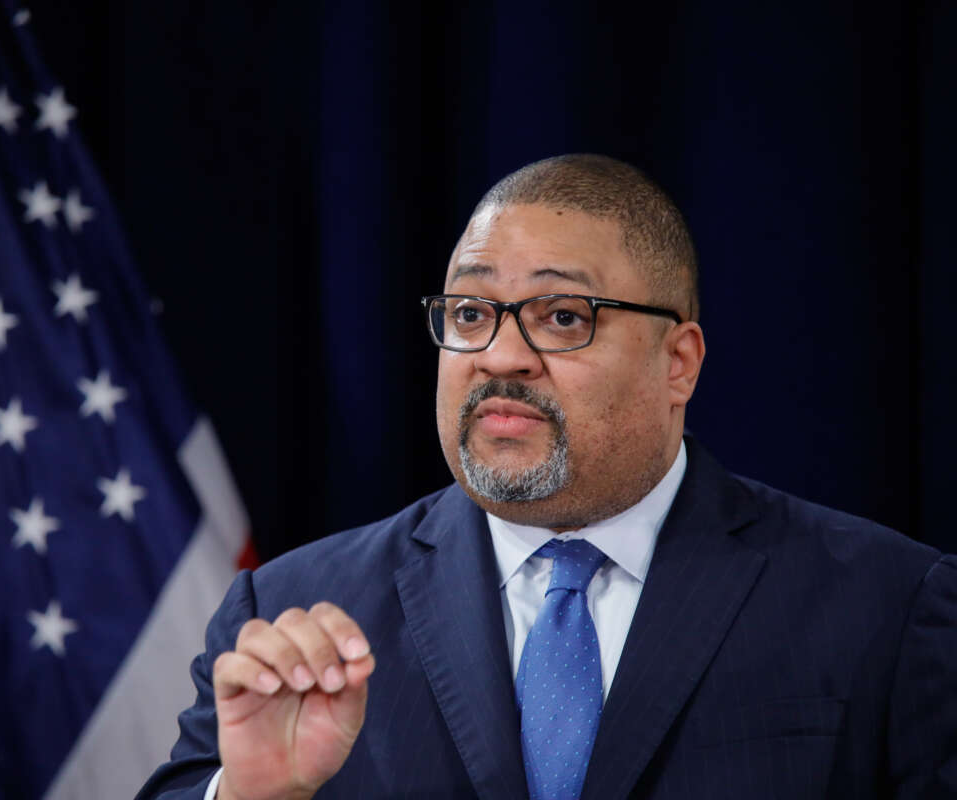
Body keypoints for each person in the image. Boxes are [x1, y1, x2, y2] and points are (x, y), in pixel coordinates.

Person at [137, 155, 956, 800]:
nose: (499, 356)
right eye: (469, 313)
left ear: (678, 363)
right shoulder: (290, 611)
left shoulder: (890, 604)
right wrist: (250, 798)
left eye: (563, 317)